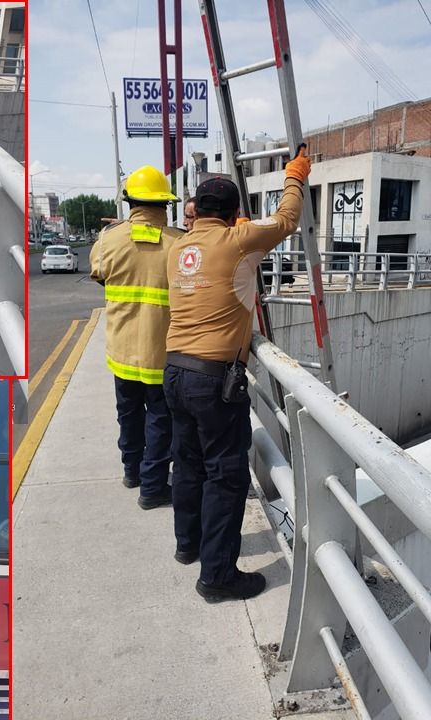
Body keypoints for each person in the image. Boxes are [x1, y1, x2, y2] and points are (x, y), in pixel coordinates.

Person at [164, 148, 311, 602]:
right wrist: (295, 175)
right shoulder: (238, 239)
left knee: (187, 463)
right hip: (213, 380)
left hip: (174, 371)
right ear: (232, 215)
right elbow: (286, 220)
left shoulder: (180, 247)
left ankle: (188, 546)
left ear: (197, 210)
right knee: (226, 474)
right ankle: (218, 577)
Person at [89, 166, 182, 509]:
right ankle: (154, 486)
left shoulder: (108, 240)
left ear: (130, 202)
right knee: (161, 419)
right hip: (162, 353)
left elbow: (98, 274)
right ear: (165, 204)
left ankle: (132, 471)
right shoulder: (179, 242)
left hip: (122, 352)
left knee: (128, 413)